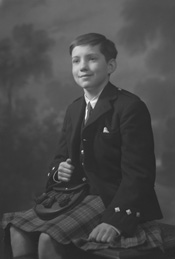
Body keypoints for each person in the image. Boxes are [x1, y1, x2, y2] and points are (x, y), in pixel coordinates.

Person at [2, 33, 163, 259]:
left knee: (49, 238)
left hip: (110, 199)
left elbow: (139, 175)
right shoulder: (74, 109)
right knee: (17, 229)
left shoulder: (129, 107)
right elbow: (59, 157)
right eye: (76, 61)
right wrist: (60, 170)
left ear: (111, 66)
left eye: (92, 59)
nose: (83, 67)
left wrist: (115, 222)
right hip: (75, 196)